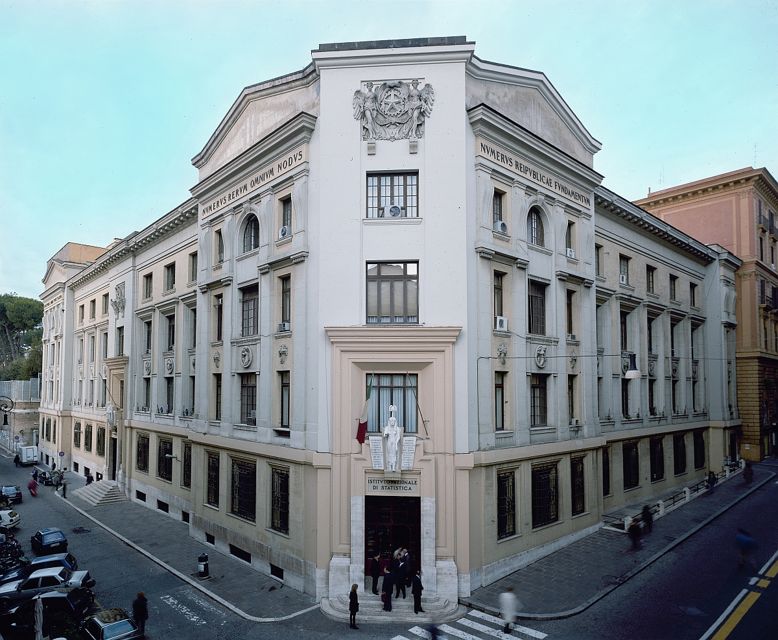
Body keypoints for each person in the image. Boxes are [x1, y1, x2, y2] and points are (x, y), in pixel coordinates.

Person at [384, 407, 401, 472]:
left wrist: (396, 443)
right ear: (389, 421)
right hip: (389, 442)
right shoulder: (387, 428)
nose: (392, 422)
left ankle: (393, 467)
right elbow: (385, 435)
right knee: (389, 453)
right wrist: (387, 434)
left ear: (395, 421)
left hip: (394, 442)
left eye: (393, 421)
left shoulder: (397, 429)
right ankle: (389, 466)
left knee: (394, 454)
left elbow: (398, 436)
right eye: (391, 421)